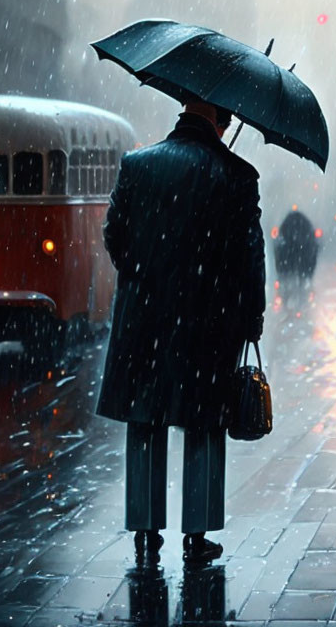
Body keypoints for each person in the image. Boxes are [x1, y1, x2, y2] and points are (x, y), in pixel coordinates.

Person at [97, 100, 266, 566]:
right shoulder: (237, 176)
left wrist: (144, 273)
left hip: (144, 317)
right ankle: (196, 534)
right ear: (222, 119)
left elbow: (114, 236)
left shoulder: (138, 164)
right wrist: (252, 316)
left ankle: (146, 530)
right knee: (203, 423)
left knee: (145, 419)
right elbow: (250, 259)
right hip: (208, 321)